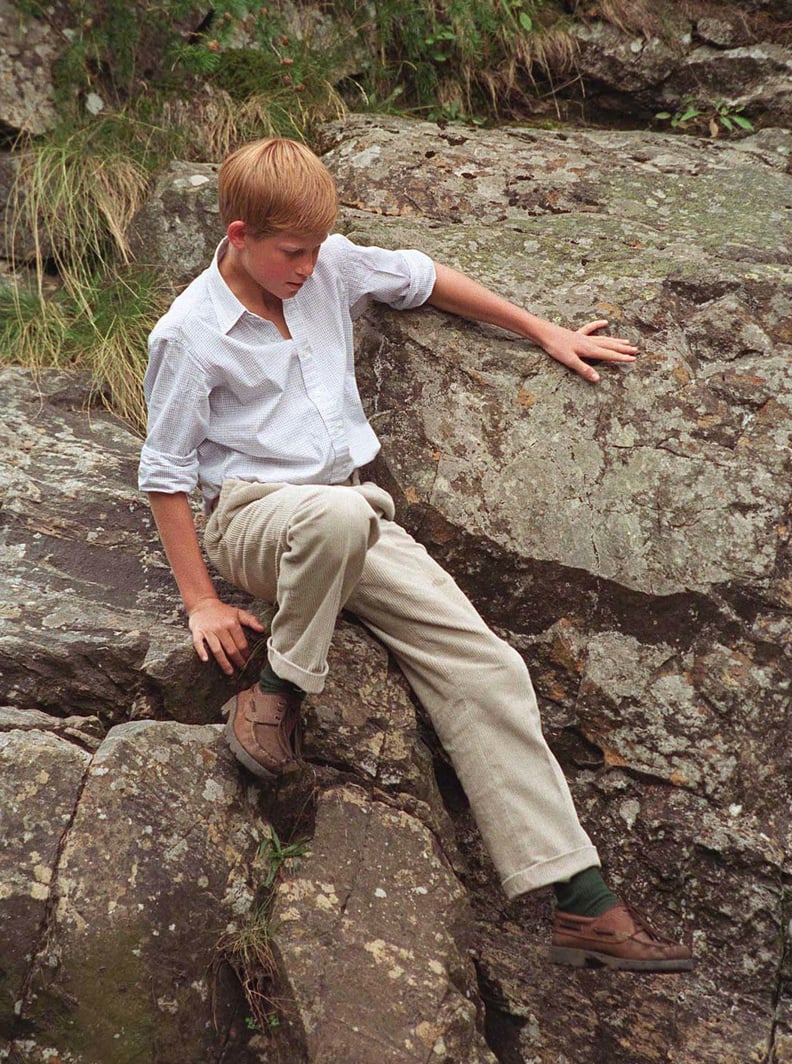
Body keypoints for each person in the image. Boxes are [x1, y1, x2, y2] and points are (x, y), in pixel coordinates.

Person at [139, 137, 694, 973]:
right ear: (240, 232)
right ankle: (278, 688)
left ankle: (581, 901)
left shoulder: (328, 268)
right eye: (292, 252)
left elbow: (428, 278)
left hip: (354, 521)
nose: (308, 267)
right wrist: (201, 602)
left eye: (318, 249)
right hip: (259, 524)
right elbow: (165, 475)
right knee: (341, 513)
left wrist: (541, 329)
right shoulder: (188, 333)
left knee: (487, 667)